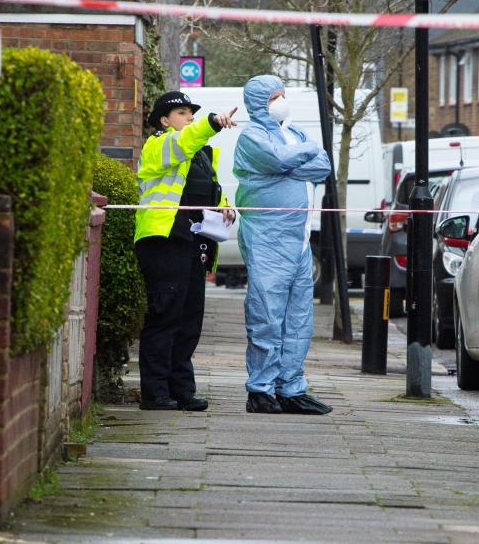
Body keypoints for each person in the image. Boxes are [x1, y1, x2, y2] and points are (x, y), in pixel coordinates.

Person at [233, 75, 334, 415]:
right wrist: (301, 155)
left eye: (283, 95)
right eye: (276, 96)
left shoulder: (294, 133)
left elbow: (323, 166)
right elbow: (276, 160)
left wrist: (294, 160)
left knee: (298, 318)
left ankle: (291, 388)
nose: (282, 101)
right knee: (266, 314)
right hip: (267, 237)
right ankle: (260, 389)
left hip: (300, 239)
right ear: (260, 101)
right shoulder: (252, 136)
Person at [134, 91, 238, 411]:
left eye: (192, 113)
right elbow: (184, 141)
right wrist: (210, 122)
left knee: (189, 320)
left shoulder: (202, 153)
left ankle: (182, 389)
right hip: (163, 239)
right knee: (165, 316)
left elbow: (206, 190)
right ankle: (155, 392)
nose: (189, 117)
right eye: (182, 112)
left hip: (194, 242)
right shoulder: (160, 144)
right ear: (164, 121)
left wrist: (223, 208)